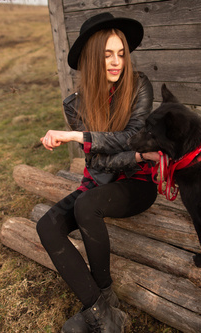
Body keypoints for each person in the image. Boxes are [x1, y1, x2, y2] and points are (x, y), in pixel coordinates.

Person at [36, 12, 159, 333]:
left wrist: (80, 137)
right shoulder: (75, 104)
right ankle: (103, 311)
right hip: (99, 181)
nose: (117, 62)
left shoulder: (139, 86)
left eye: (121, 54)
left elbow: (133, 136)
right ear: (92, 59)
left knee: (86, 205)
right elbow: (99, 164)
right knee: (47, 226)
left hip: (138, 183)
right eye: (107, 55)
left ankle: (103, 302)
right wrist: (134, 153)